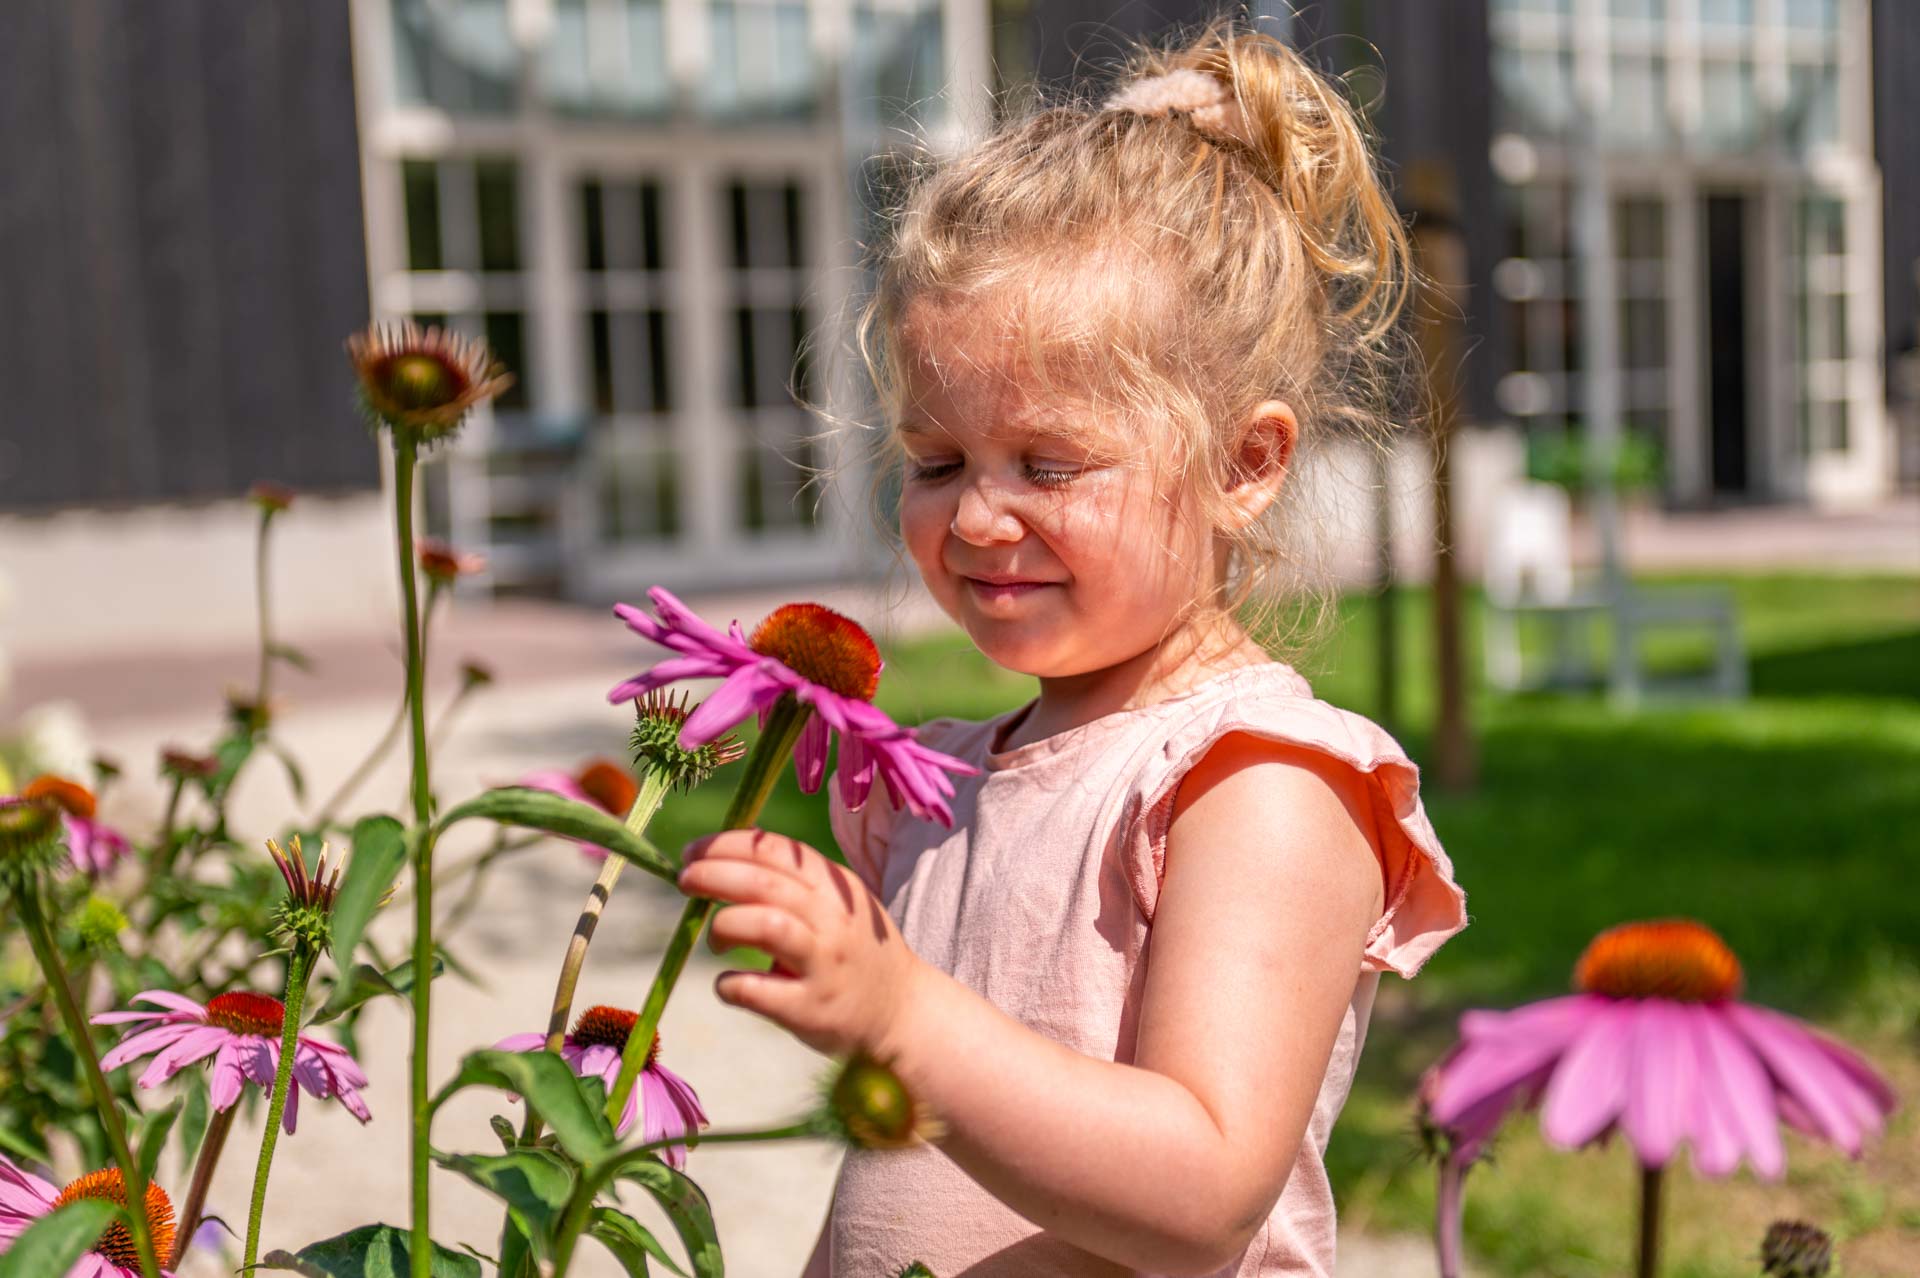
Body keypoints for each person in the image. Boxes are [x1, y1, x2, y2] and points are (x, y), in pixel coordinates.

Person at [674, 20, 1469, 1277]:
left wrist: (899, 1011)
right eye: (936, 463)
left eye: (1048, 464)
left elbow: (1206, 1189)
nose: (977, 516)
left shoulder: (1258, 785)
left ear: (1244, 464)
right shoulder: (939, 785)